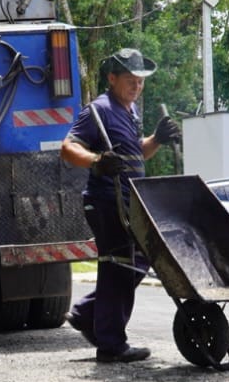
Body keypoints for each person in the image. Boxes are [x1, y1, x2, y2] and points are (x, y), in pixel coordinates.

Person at [61, 48, 181, 363]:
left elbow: (135, 154)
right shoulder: (98, 110)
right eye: (130, 80)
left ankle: (88, 313)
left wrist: (157, 139)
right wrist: (97, 161)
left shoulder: (129, 112)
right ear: (112, 79)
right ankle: (111, 344)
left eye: (140, 81)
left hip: (128, 203)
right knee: (120, 265)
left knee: (135, 261)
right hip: (106, 201)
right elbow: (68, 148)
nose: (136, 86)